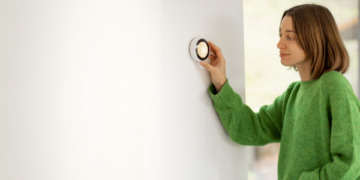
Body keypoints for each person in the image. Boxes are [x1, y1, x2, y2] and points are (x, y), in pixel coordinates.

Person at [200, 3, 360, 180]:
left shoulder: (334, 85)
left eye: (289, 37)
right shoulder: (293, 94)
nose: (279, 43)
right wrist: (221, 83)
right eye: (281, 35)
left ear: (314, 38)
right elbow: (250, 129)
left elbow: (351, 164)